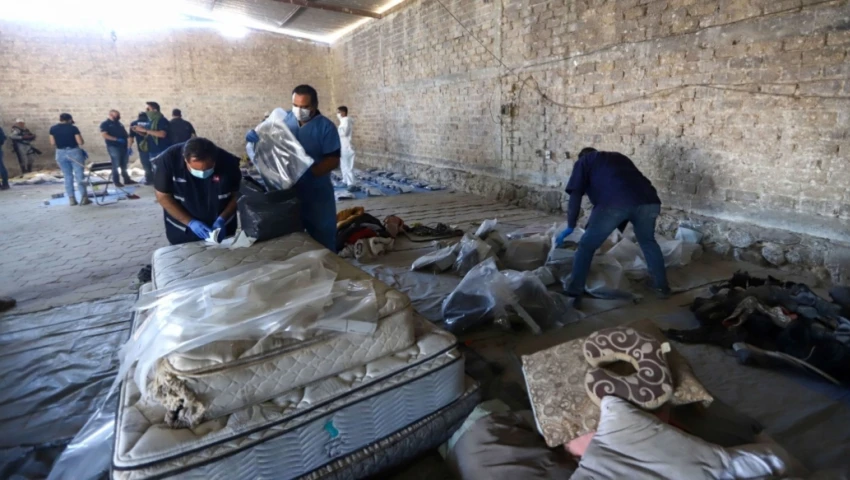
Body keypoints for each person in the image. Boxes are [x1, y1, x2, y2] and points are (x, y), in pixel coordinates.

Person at [555, 147, 670, 306]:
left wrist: (570, 225)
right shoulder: (618, 157)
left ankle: (574, 293)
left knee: (586, 246)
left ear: (582, 157)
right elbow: (624, 188)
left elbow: (575, 194)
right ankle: (661, 288)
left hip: (615, 205)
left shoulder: (584, 161)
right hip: (650, 201)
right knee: (648, 242)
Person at [246, 85, 341, 252]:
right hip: (286, 191)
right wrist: (254, 138)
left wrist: (310, 174)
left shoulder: (326, 127)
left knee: (323, 236)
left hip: (316, 191)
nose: (299, 110)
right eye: (296, 105)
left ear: (315, 105)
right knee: (291, 238)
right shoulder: (282, 121)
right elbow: (267, 144)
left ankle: (328, 270)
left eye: (304, 106)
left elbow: (333, 160)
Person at [153, 137, 242, 245]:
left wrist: (222, 219)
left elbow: (236, 195)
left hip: (221, 229)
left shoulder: (228, 162)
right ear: (185, 160)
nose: (203, 173)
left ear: (214, 161)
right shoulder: (168, 160)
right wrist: (191, 222)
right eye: (196, 170)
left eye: (207, 169)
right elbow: (163, 196)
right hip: (183, 229)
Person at [49, 113, 89, 206]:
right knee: (79, 175)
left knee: (67, 176)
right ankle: (84, 198)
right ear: (70, 119)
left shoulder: (53, 128)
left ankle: (72, 199)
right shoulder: (73, 128)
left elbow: (52, 142)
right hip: (74, 151)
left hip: (60, 153)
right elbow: (80, 142)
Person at [100, 109, 136, 187]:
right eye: (117, 115)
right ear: (111, 115)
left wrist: (128, 146)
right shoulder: (105, 124)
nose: (118, 116)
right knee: (116, 164)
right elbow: (104, 135)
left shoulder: (119, 124)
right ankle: (116, 181)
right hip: (114, 147)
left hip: (123, 146)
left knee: (124, 164)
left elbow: (126, 135)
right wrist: (116, 139)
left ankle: (127, 179)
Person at [129, 112, 153, 184]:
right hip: (153, 147)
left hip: (142, 147)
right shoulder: (150, 122)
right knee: (154, 164)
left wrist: (129, 147)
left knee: (146, 164)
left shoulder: (134, 124)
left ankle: (149, 180)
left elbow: (131, 137)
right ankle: (156, 179)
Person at [337, 106, 356, 186]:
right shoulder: (343, 121)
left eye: (339, 112)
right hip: (343, 146)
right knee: (343, 164)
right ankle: (345, 180)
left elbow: (344, 133)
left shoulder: (346, 121)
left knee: (348, 166)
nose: (337, 114)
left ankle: (351, 184)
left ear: (343, 112)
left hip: (347, 146)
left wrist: (336, 131)